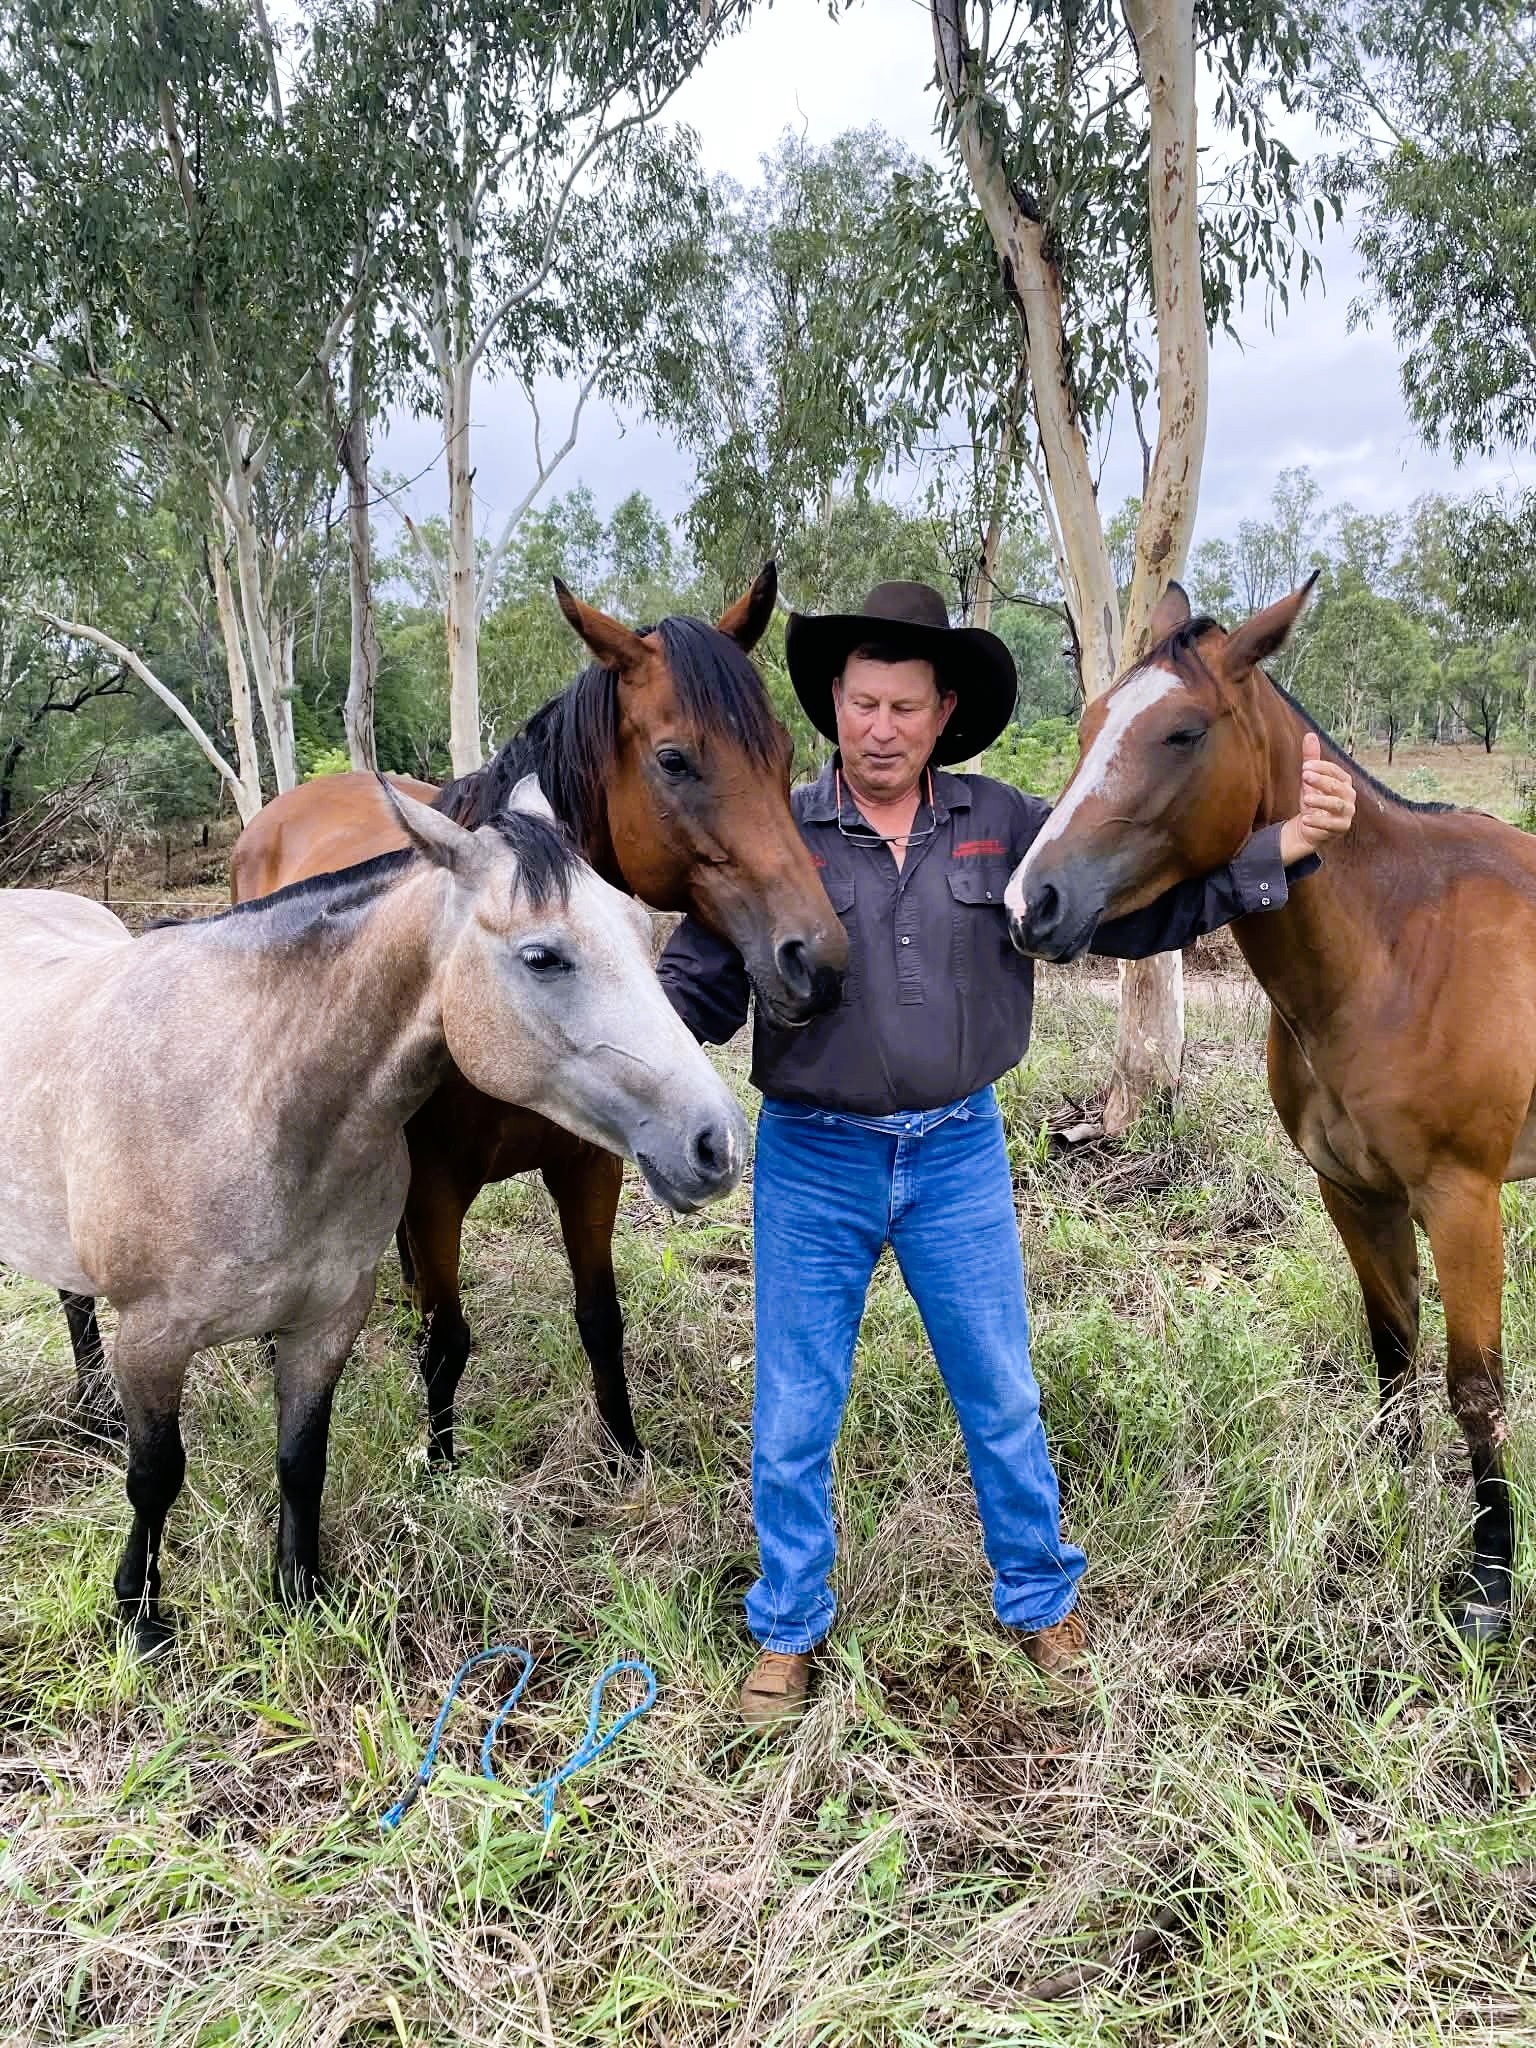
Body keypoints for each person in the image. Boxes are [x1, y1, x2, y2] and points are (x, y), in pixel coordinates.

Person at [658, 581, 1357, 1725]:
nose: (881, 727)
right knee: (792, 1410)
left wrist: (1281, 845)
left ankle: (1038, 1600)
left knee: (1001, 1394)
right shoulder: (771, 827)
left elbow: (1130, 917)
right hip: (813, 1159)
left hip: (957, 1155)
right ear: (834, 702)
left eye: (906, 706)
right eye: (863, 701)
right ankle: (788, 1628)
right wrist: (616, 1037)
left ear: (943, 715)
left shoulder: (1004, 824)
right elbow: (698, 981)